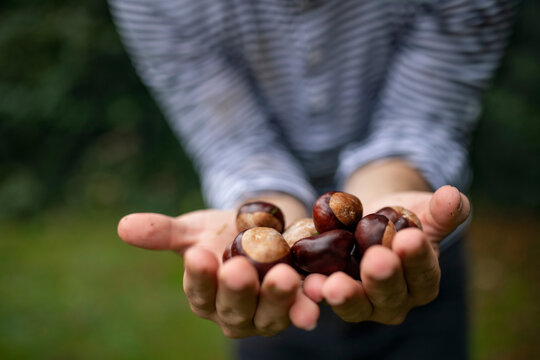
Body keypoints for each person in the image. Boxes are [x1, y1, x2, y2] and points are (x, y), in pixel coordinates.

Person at [109, 0, 518, 359]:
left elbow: (423, 112)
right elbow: (231, 137)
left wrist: (388, 185)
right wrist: (269, 206)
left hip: (420, 254)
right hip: (270, 293)